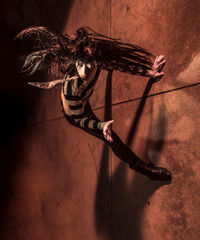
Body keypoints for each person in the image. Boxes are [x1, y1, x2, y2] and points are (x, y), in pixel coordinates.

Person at [15, 26, 172, 181]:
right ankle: (145, 170)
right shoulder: (72, 90)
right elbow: (78, 119)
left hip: (83, 98)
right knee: (112, 140)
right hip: (77, 114)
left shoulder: (93, 56)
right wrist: (101, 126)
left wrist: (148, 71)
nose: (95, 64)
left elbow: (116, 64)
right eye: (91, 63)